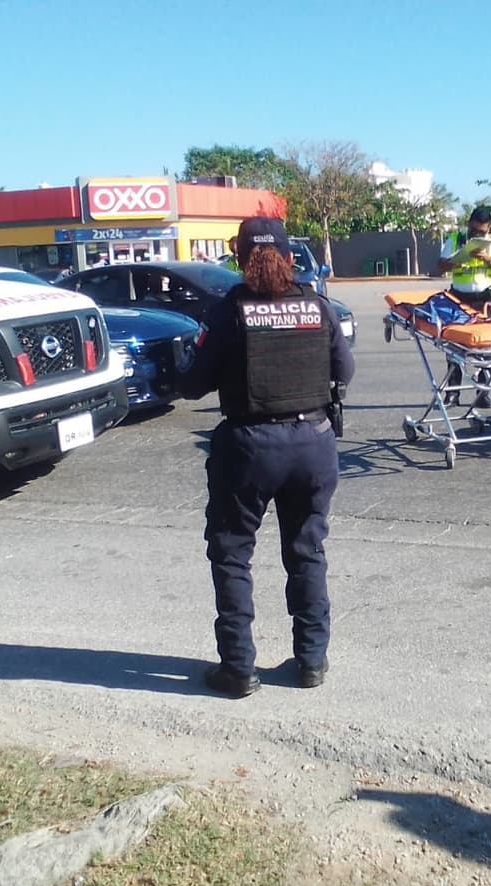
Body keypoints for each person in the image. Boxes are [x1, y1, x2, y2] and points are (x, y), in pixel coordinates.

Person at [178, 216, 356, 698]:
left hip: (250, 446)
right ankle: (312, 660)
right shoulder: (317, 306)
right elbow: (346, 369)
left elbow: (193, 384)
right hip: (313, 443)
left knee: (233, 553)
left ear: (238, 257)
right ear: (290, 258)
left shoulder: (228, 312)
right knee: (306, 551)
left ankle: (238, 668)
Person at [436, 207, 491, 406]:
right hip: (458, 298)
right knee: (453, 346)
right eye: (474, 230)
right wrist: (459, 258)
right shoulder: (454, 239)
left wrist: (488, 260)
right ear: (468, 224)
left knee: (486, 347)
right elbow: (441, 266)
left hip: (486, 298)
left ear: (489, 228)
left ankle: (483, 392)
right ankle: (453, 393)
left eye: (482, 232)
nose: (477, 234)